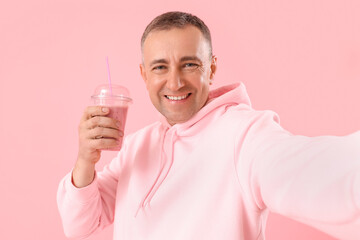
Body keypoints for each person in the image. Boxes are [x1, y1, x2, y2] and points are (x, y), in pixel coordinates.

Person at [57, 11, 360, 240]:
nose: (174, 82)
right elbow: (80, 225)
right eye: (160, 67)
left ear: (212, 68)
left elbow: (322, 174)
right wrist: (86, 159)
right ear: (144, 74)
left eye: (189, 64)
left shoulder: (245, 136)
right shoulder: (137, 146)